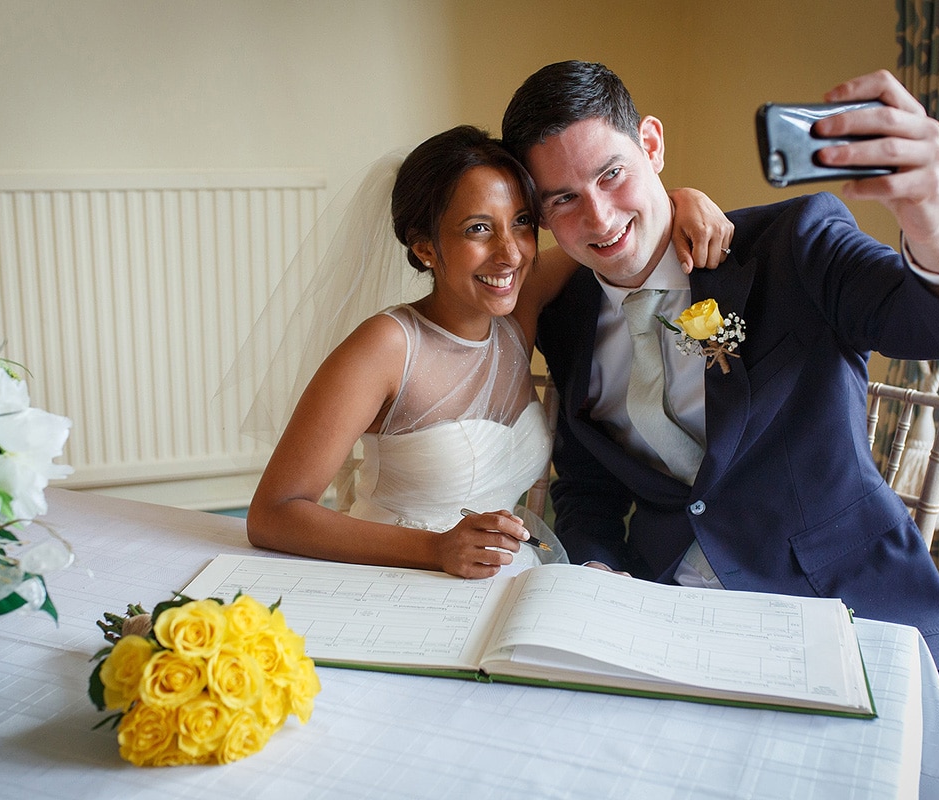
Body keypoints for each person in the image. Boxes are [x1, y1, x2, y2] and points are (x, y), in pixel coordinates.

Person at [501, 61, 939, 797]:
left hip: (842, 607)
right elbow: (583, 489)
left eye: (611, 174)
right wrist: (597, 572)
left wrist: (929, 208)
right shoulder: (568, 317)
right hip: (663, 624)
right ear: (544, 215)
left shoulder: (792, 245)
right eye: (564, 199)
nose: (600, 218)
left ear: (651, 143)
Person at [241, 125, 731, 580]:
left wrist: (682, 202)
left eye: (520, 222)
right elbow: (273, 513)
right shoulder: (387, 346)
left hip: (502, 577)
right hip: (394, 576)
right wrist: (433, 550)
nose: (510, 252)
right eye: (478, 228)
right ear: (425, 248)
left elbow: (606, 239)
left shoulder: (520, 306)